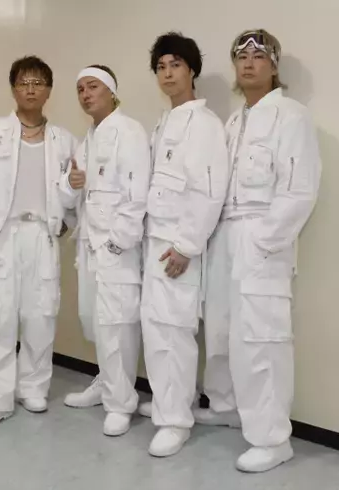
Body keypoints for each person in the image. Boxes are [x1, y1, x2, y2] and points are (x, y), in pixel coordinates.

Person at [194, 29, 321, 472]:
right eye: (241, 57)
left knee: (262, 340)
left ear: (274, 65)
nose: (249, 63)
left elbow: (300, 191)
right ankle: (227, 405)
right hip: (224, 235)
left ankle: (272, 439)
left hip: (261, 238)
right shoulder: (233, 122)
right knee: (221, 330)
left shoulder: (291, 116)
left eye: (259, 56)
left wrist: (264, 241)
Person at [0, 56, 77, 431]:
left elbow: (77, 190)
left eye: (38, 83)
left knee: (41, 315)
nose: (31, 89)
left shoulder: (64, 140)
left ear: (49, 90)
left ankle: (33, 388)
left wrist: (67, 222)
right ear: (13, 88)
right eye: (24, 82)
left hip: (41, 235)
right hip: (1, 235)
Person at [139, 33, 229, 457]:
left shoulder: (203, 123)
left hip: (177, 247)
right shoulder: (165, 122)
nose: (167, 73)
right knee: (157, 329)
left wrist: (187, 246)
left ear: (192, 70)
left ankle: (175, 422)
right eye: (161, 67)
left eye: (175, 64)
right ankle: (172, 402)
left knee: (173, 333)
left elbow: (209, 191)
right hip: (154, 242)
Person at [61, 65, 151, 436]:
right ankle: (106, 382)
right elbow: (68, 194)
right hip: (89, 246)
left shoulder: (129, 132)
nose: (85, 94)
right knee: (94, 321)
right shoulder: (87, 140)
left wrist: (118, 242)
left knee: (117, 325)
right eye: (80, 88)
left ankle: (121, 402)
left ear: (111, 91)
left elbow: (137, 194)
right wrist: (71, 183)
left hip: (116, 249)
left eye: (93, 86)